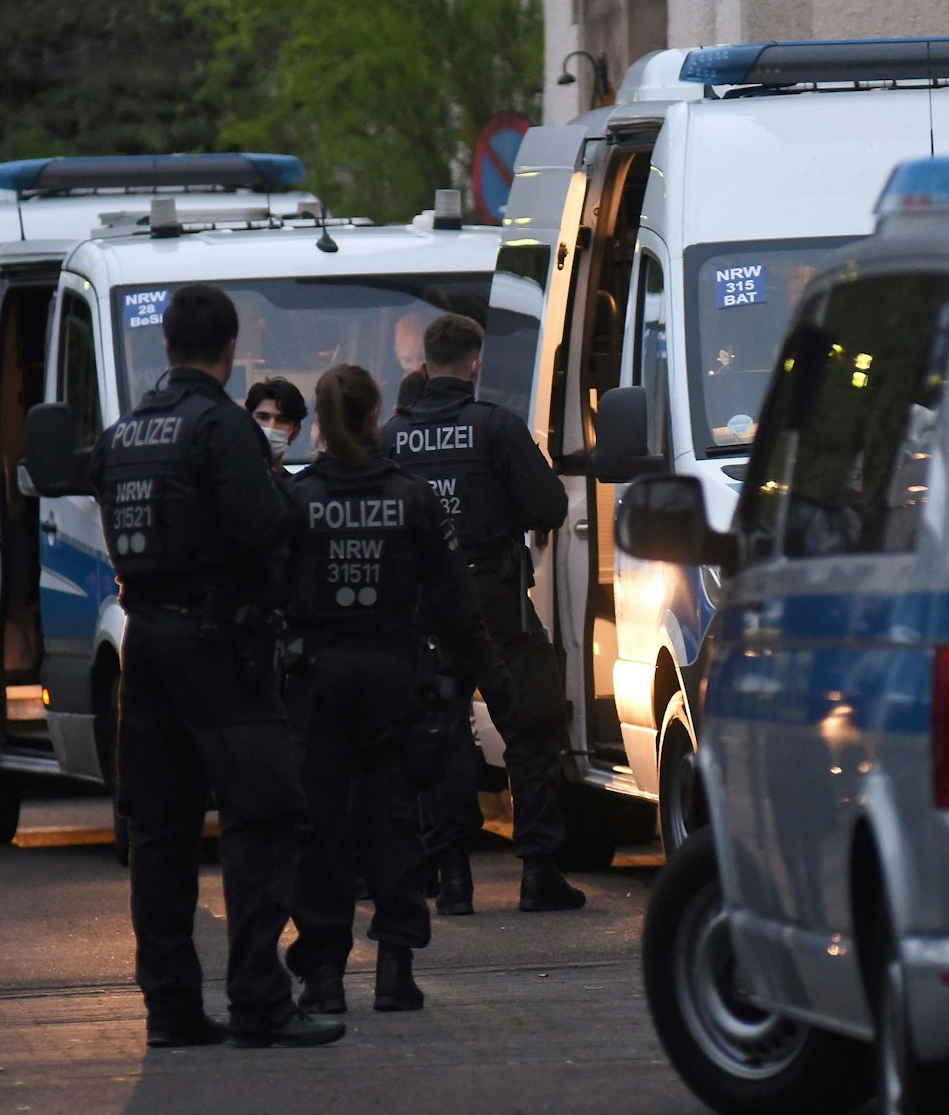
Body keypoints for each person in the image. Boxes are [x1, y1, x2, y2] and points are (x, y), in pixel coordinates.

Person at [86, 285, 342, 1051]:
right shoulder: (221, 428)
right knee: (261, 817)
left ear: (166, 344)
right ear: (230, 351)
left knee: (160, 832)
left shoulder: (127, 431)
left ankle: (170, 1009)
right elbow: (261, 526)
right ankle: (260, 1002)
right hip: (221, 647)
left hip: (146, 640)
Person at [280, 364, 518, 1014]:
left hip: (319, 681)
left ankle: (324, 973)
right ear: (375, 412)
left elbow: (272, 599)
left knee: (322, 828)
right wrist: (490, 676)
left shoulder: (299, 501)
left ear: (323, 423)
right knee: (394, 821)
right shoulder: (412, 497)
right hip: (394, 677)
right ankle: (393, 966)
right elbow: (455, 601)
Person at [383, 314, 585, 914]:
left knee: (442, 736)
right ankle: (538, 873)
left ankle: (453, 881)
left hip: (423, 610)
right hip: (494, 603)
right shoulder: (495, 427)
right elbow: (548, 505)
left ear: (423, 364)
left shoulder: (393, 437)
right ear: (475, 364)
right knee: (529, 728)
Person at [245, 377, 307, 478]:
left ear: (296, 431)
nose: (271, 427)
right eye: (263, 417)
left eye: (282, 420)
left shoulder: (297, 490)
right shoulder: (226, 481)